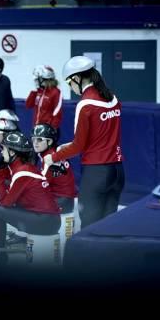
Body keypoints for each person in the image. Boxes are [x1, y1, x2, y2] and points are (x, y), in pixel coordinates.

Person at [44, 56, 124, 229]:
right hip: (117, 171)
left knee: (89, 229)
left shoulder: (85, 104)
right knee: (108, 227)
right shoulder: (113, 99)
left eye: (69, 83)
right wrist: (69, 146)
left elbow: (79, 146)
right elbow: (99, 136)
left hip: (97, 173)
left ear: (77, 78)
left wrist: (54, 157)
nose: (71, 88)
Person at [0, 131, 61, 264]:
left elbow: (5, 202)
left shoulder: (22, 173)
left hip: (44, 221)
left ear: (12, 152)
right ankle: (19, 238)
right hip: (49, 219)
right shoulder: (26, 168)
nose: (1, 152)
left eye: (3, 149)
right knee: (0, 206)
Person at [25, 65, 63, 138]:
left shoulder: (56, 92)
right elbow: (28, 105)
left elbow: (57, 113)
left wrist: (51, 129)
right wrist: (34, 91)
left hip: (48, 130)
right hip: (36, 128)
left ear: (45, 79)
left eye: (37, 79)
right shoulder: (39, 91)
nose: (36, 81)